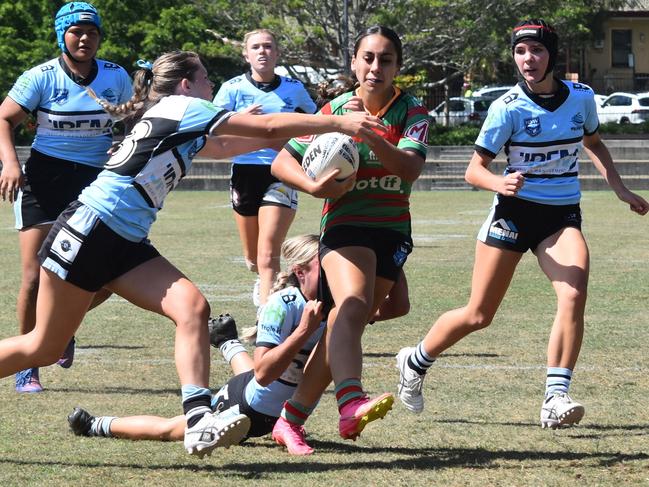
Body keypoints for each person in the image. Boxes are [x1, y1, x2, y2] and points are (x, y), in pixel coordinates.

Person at [0, 50, 384, 458]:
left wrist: (325, 125)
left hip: (123, 238)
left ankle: (199, 421)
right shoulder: (185, 106)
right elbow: (268, 125)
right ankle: (199, 418)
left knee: (193, 308)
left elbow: (259, 137)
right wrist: (338, 121)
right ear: (186, 84)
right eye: (206, 79)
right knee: (42, 345)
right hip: (94, 226)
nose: (212, 87)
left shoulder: (183, 116)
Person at [395, 19, 649, 429]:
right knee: (479, 314)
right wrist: (500, 181)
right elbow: (473, 171)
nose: (528, 59)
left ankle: (555, 395)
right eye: (520, 52)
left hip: (561, 216)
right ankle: (416, 359)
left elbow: (594, 143)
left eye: (536, 50)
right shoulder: (507, 107)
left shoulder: (582, 98)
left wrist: (619, 188)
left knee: (574, 290)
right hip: (513, 215)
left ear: (553, 55)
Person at [270, 26, 430, 448]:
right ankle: (350, 402)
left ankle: (290, 419)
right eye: (369, 58)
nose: (376, 67)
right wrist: (313, 187)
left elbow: (409, 170)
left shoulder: (413, 113)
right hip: (345, 226)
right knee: (353, 305)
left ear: (398, 67)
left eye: (386, 60)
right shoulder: (335, 110)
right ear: (355, 63)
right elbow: (282, 162)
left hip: (392, 231)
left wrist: (366, 133)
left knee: (347, 320)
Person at [67, 234, 325, 454]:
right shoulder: (284, 304)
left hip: (275, 406)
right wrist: (303, 330)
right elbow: (263, 373)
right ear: (300, 272)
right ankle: (95, 424)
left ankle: (226, 341)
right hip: (246, 407)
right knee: (171, 429)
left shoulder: (333, 305)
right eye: (324, 268)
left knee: (254, 376)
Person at [0, 2, 133, 393]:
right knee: (33, 277)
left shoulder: (116, 76)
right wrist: (9, 164)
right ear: (62, 35)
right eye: (76, 31)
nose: (85, 38)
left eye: (92, 32)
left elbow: (132, 119)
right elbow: (3, 118)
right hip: (43, 179)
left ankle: (60, 327)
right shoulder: (40, 76)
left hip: (96, 183)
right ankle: (28, 366)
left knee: (109, 276)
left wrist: (124, 141)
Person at [212, 29, 317, 309]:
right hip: (245, 174)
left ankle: (267, 317)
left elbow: (315, 123)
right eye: (256, 47)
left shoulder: (294, 88)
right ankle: (263, 279)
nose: (262, 51)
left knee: (269, 255)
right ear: (246, 54)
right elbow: (210, 131)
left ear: (277, 53)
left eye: (268, 46)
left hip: (282, 172)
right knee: (253, 259)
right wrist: (237, 118)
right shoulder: (232, 88)